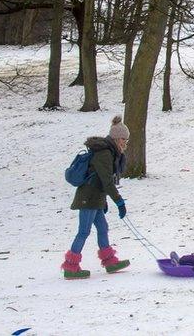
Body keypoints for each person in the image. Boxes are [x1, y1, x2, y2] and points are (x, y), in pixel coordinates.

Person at [61, 116, 131, 279]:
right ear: (118, 138)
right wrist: (119, 201)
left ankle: (109, 262)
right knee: (83, 232)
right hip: (88, 198)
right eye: (124, 140)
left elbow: (100, 179)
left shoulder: (109, 152)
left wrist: (104, 201)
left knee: (102, 228)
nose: (125, 143)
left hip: (95, 197)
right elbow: (106, 181)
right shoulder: (104, 153)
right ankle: (71, 267)